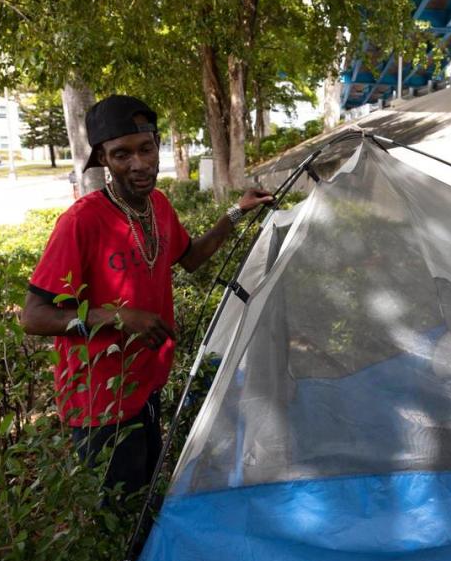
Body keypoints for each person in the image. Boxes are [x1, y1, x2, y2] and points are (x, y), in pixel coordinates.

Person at [20, 94, 272, 500]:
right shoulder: (81, 222)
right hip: (100, 403)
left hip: (146, 386)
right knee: (118, 517)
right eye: (122, 154)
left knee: (147, 501)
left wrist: (238, 213)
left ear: (157, 145)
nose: (138, 164)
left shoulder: (157, 205)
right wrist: (117, 317)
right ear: (103, 158)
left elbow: (190, 258)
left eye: (146, 149)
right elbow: (33, 317)